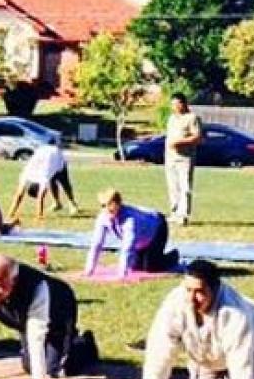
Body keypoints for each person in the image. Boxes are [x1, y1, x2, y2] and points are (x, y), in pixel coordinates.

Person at [83, 188, 180, 279]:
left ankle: (173, 256)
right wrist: (89, 269)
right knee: (135, 266)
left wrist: (121, 274)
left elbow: (128, 247)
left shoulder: (130, 220)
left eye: (109, 205)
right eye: (103, 206)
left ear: (118, 204)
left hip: (157, 228)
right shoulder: (103, 217)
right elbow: (97, 244)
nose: (106, 209)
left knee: (150, 267)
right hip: (141, 239)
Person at [6, 144, 79, 220]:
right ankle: (57, 204)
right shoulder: (25, 175)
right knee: (52, 179)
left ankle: (72, 203)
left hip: (56, 154)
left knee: (64, 182)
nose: (46, 192)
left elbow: (41, 197)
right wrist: (10, 214)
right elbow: (19, 195)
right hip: (45, 153)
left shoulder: (43, 176)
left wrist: (39, 216)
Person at [164, 93, 203, 226]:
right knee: (172, 186)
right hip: (170, 158)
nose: (174, 107)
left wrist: (180, 142)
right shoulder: (171, 119)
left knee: (184, 186)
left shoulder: (192, 118)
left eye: (176, 104)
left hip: (185, 158)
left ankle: (183, 215)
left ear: (183, 104)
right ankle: (174, 213)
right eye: (172, 104)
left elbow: (197, 138)